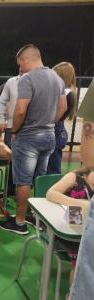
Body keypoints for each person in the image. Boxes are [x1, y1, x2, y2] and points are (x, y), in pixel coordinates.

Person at [0, 44, 67, 235]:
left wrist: (15, 130)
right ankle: (37, 218)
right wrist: (49, 122)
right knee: (40, 178)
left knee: (23, 181)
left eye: (20, 63)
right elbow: (63, 107)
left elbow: (20, 110)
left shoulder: (27, 79)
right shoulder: (57, 78)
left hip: (28, 136)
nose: (19, 68)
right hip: (49, 135)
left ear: (27, 60)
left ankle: (19, 222)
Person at [46, 167, 93, 295]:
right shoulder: (76, 177)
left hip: (87, 230)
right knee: (81, 257)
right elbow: (51, 193)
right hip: (68, 230)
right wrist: (78, 203)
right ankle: (73, 293)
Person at [69, 78, 94, 299]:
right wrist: (81, 205)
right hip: (74, 223)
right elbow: (50, 194)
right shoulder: (76, 178)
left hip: (78, 224)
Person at [46, 62, 77, 174]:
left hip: (56, 131)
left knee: (52, 168)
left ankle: (52, 188)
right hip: (58, 131)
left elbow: (58, 111)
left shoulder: (67, 93)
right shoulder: (68, 92)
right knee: (50, 165)